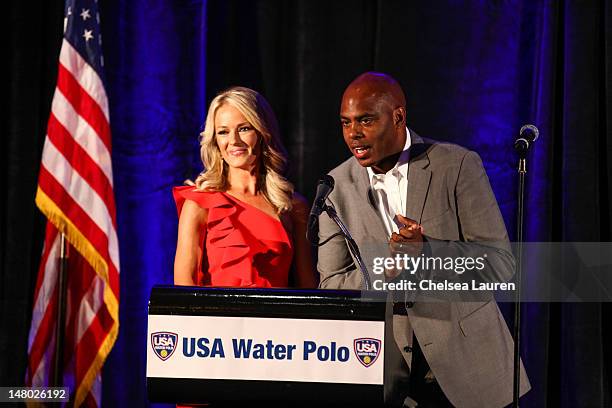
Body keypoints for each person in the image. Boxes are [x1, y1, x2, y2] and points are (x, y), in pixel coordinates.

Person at [317, 72, 530, 407]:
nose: (353, 134)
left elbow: (500, 265)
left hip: (470, 367)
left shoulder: (455, 165)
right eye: (345, 123)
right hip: (387, 375)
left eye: (366, 121)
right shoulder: (335, 187)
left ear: (398, 116)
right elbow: (330, 285)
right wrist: (384, 270)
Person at [174, 86, 316, 288]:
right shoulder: (199, 204)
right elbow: (184, 289)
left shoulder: (293, 206)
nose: (233, 141)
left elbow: (307, 288)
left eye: (244, 129)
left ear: (262, 132)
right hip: (216, 319)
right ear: (215, 140)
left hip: (276, 319)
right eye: (223, 132)